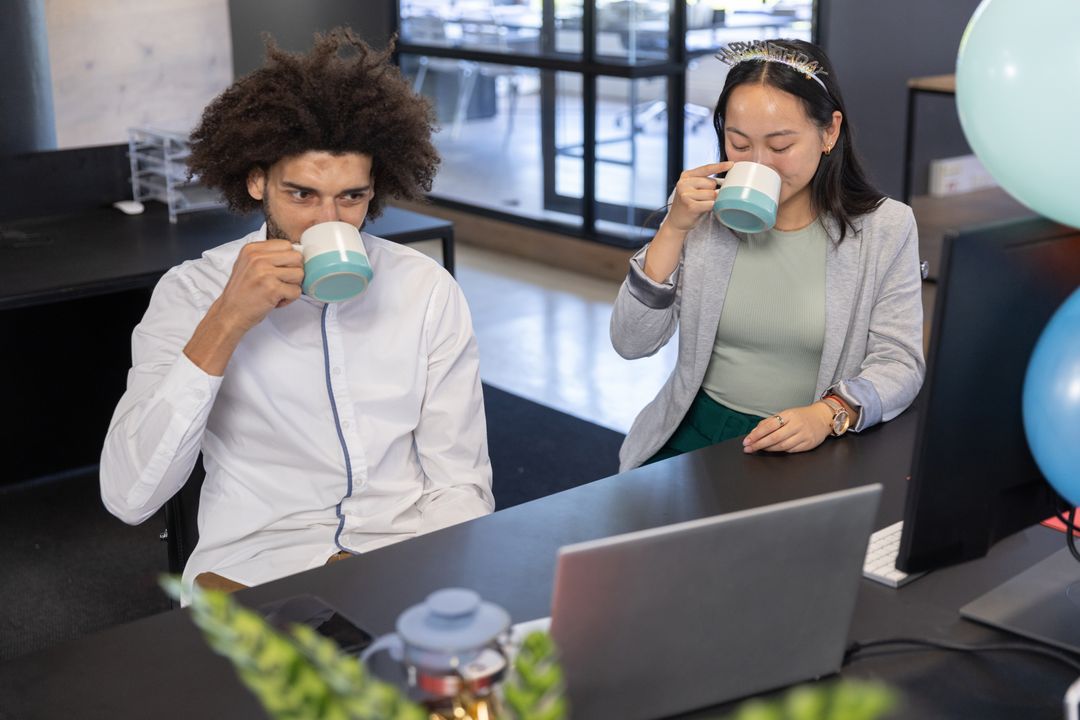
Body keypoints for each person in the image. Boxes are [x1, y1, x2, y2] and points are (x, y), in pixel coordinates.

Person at [100, 29, 493, 603]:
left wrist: (443, 579)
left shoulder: (424, 289)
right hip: (259, 567)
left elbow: (459, 480)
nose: (328, 220)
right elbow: (129, 497)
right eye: (303, 195)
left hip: (404, 553)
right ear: (257, 181)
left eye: (351, 198)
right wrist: (226, 320)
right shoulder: (191, 293)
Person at [611, 39, 925, 472]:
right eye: (738, 145)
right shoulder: (700, 214)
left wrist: (829, 413)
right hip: (693, 431)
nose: (759, 164)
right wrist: (674, 227)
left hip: (808, 440)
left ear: (830, 131)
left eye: (780, 147)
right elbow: (630, 342)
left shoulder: (884, 228)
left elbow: (900, 363)